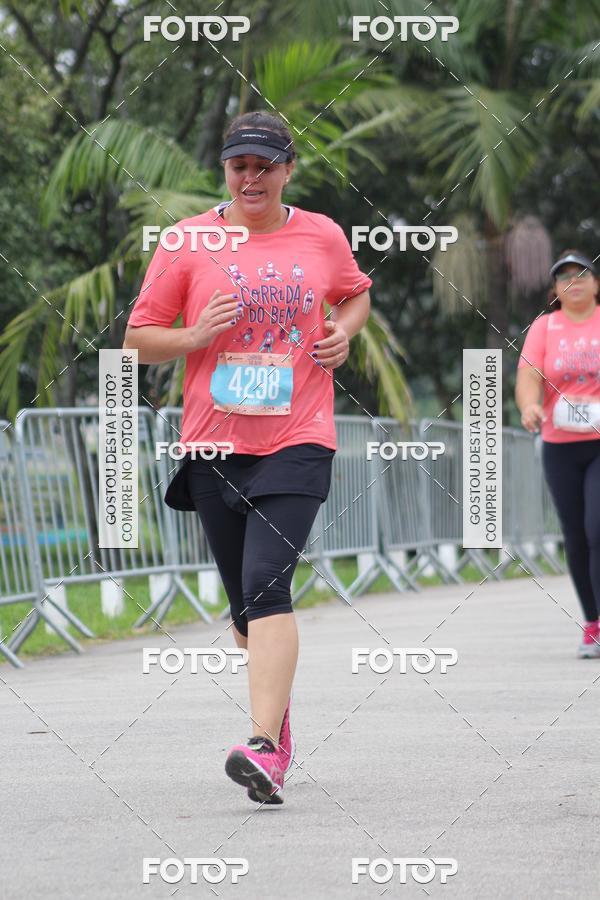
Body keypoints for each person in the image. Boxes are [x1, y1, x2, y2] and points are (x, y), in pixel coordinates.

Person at [123, 111, 372, 802]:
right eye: (240, 165)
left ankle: (261, 746)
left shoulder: (320, 234)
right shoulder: (187, 241)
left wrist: (343, 333)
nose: (252, 177)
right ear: (225, 171)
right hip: (213, 445)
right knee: (244, 616)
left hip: (298, 437)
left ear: (289, 169)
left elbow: (354, 294)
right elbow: (138, 337)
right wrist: (196, 333)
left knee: (268, 585)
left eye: (266, 164)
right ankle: (277, 738)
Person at [516, 250, 600, 658]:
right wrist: (529, 405)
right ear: (554, 290)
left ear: (596, 283)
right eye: (564, 276)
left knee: (597, 525)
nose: (574, 280)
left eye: (582, 273)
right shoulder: (545, 328)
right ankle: (593, 622)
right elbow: (529, 375)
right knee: (577, 535)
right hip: (560, 446)